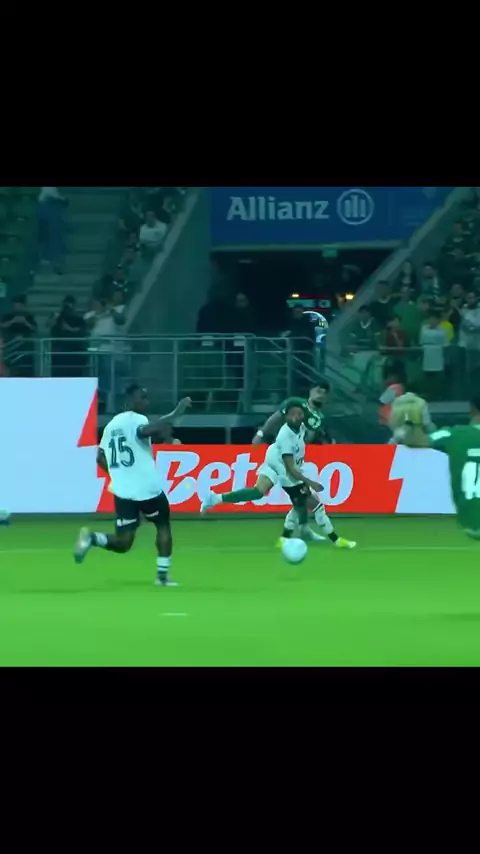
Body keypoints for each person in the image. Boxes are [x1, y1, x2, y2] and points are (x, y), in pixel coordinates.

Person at [73, 386, 192, 584]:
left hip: (123, 490)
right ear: (129, 400)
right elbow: (145, 431)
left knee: (124, 542)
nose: (146, 402)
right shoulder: (136, 419)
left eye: (146, 398)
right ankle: (162, 576)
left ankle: (92, 538)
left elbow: (100, 456)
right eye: (142, 398)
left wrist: (118, 475)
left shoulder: (111, 425)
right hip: (146, 488)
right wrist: (176, 412)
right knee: (162, 525)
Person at [200, 399, 356, 548]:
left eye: (299, 413)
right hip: (284, 469)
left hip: (275, 461)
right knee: (313, 503)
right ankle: (336, 540)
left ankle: (215, 498)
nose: (295, 417)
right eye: (292, 414)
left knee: (261, 493)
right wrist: (311, 482)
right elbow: (290, 469)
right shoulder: (285, 437)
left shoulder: (300, 427)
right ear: (286, 417)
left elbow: (311, 426)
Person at [397, 395, 480, 538]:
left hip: (470, 519)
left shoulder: (454, 433)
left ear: (472, 410)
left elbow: (415, 441)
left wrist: (413, 422)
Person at [49, 295, 86, 378]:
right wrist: (55, 318)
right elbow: (48, 326)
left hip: (75, 353)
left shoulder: (79, 319)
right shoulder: (57, 318)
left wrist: (69, 329)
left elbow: (82, 332)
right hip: (60, 353)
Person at [0, 294, 37, 376]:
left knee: (26, 368)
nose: (18, 307)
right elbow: (2, 325)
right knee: (11, 366)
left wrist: (25, 322)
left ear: (23, 306)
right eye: (16, 305)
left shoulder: (29, 317)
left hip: (25, 347)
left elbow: (34, 329)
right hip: (11, 347)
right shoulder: (8, 316)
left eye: (20, 305)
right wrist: (12, 321)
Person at [420, 310, 449, 399]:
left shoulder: (442, 330)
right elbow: (421, 341)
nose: (432, 321)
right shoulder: (424, 328)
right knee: (427, 375)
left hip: (438, 353)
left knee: (438, 375)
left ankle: (438, 394)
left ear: (438, 320)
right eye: (430, 319)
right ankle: (427, 393)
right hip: (427, 352)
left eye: (434, 319)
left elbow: (446, 343)